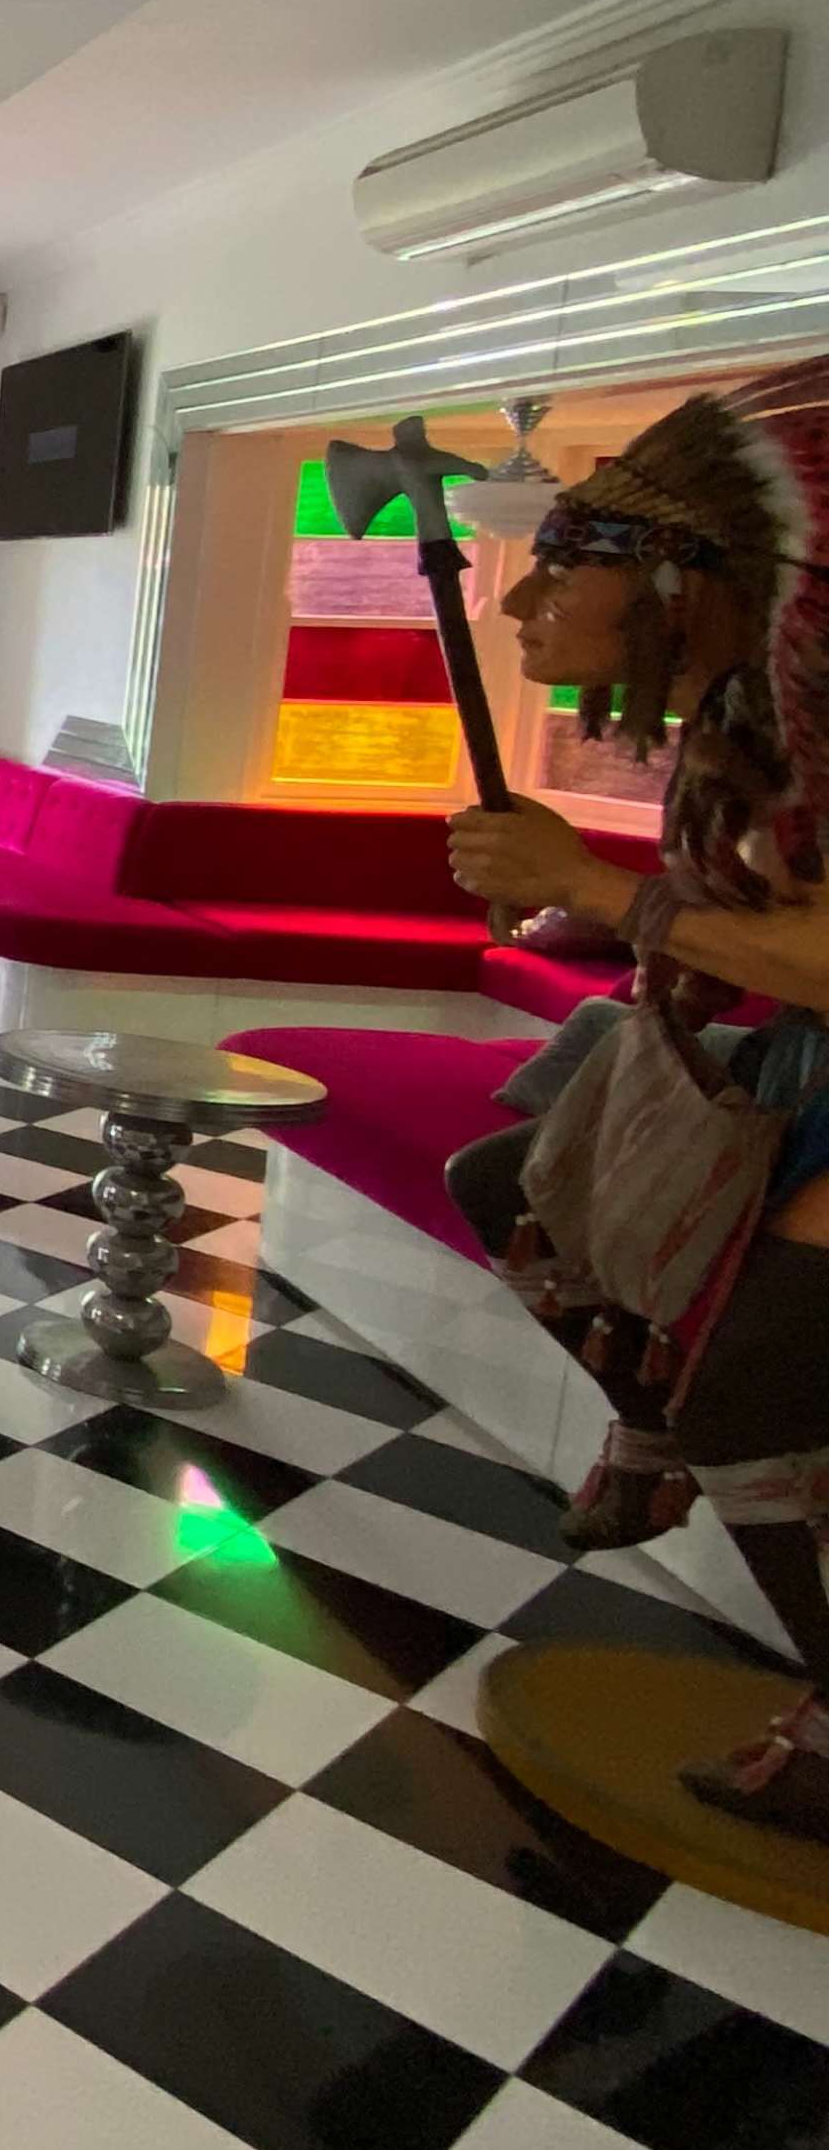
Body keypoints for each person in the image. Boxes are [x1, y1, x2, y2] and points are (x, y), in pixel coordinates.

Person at [446, 364, 829, 1838]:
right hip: (799, 1053)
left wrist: (594, 888)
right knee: (508, 1184)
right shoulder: (746, 710)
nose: (525, 613)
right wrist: (594, 903)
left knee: (751, 1392)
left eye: (557, 582)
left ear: (676, 576)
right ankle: (652, 1432)